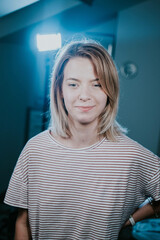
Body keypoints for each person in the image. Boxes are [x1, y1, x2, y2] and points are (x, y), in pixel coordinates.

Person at [4, 40, 160, 240]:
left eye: (96, 84)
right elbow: (22, 222)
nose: (84, 95)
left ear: (109, 91)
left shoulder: (131, 156)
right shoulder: (35, 150)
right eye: (73, 84)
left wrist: (130, 219)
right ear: (60, 90)